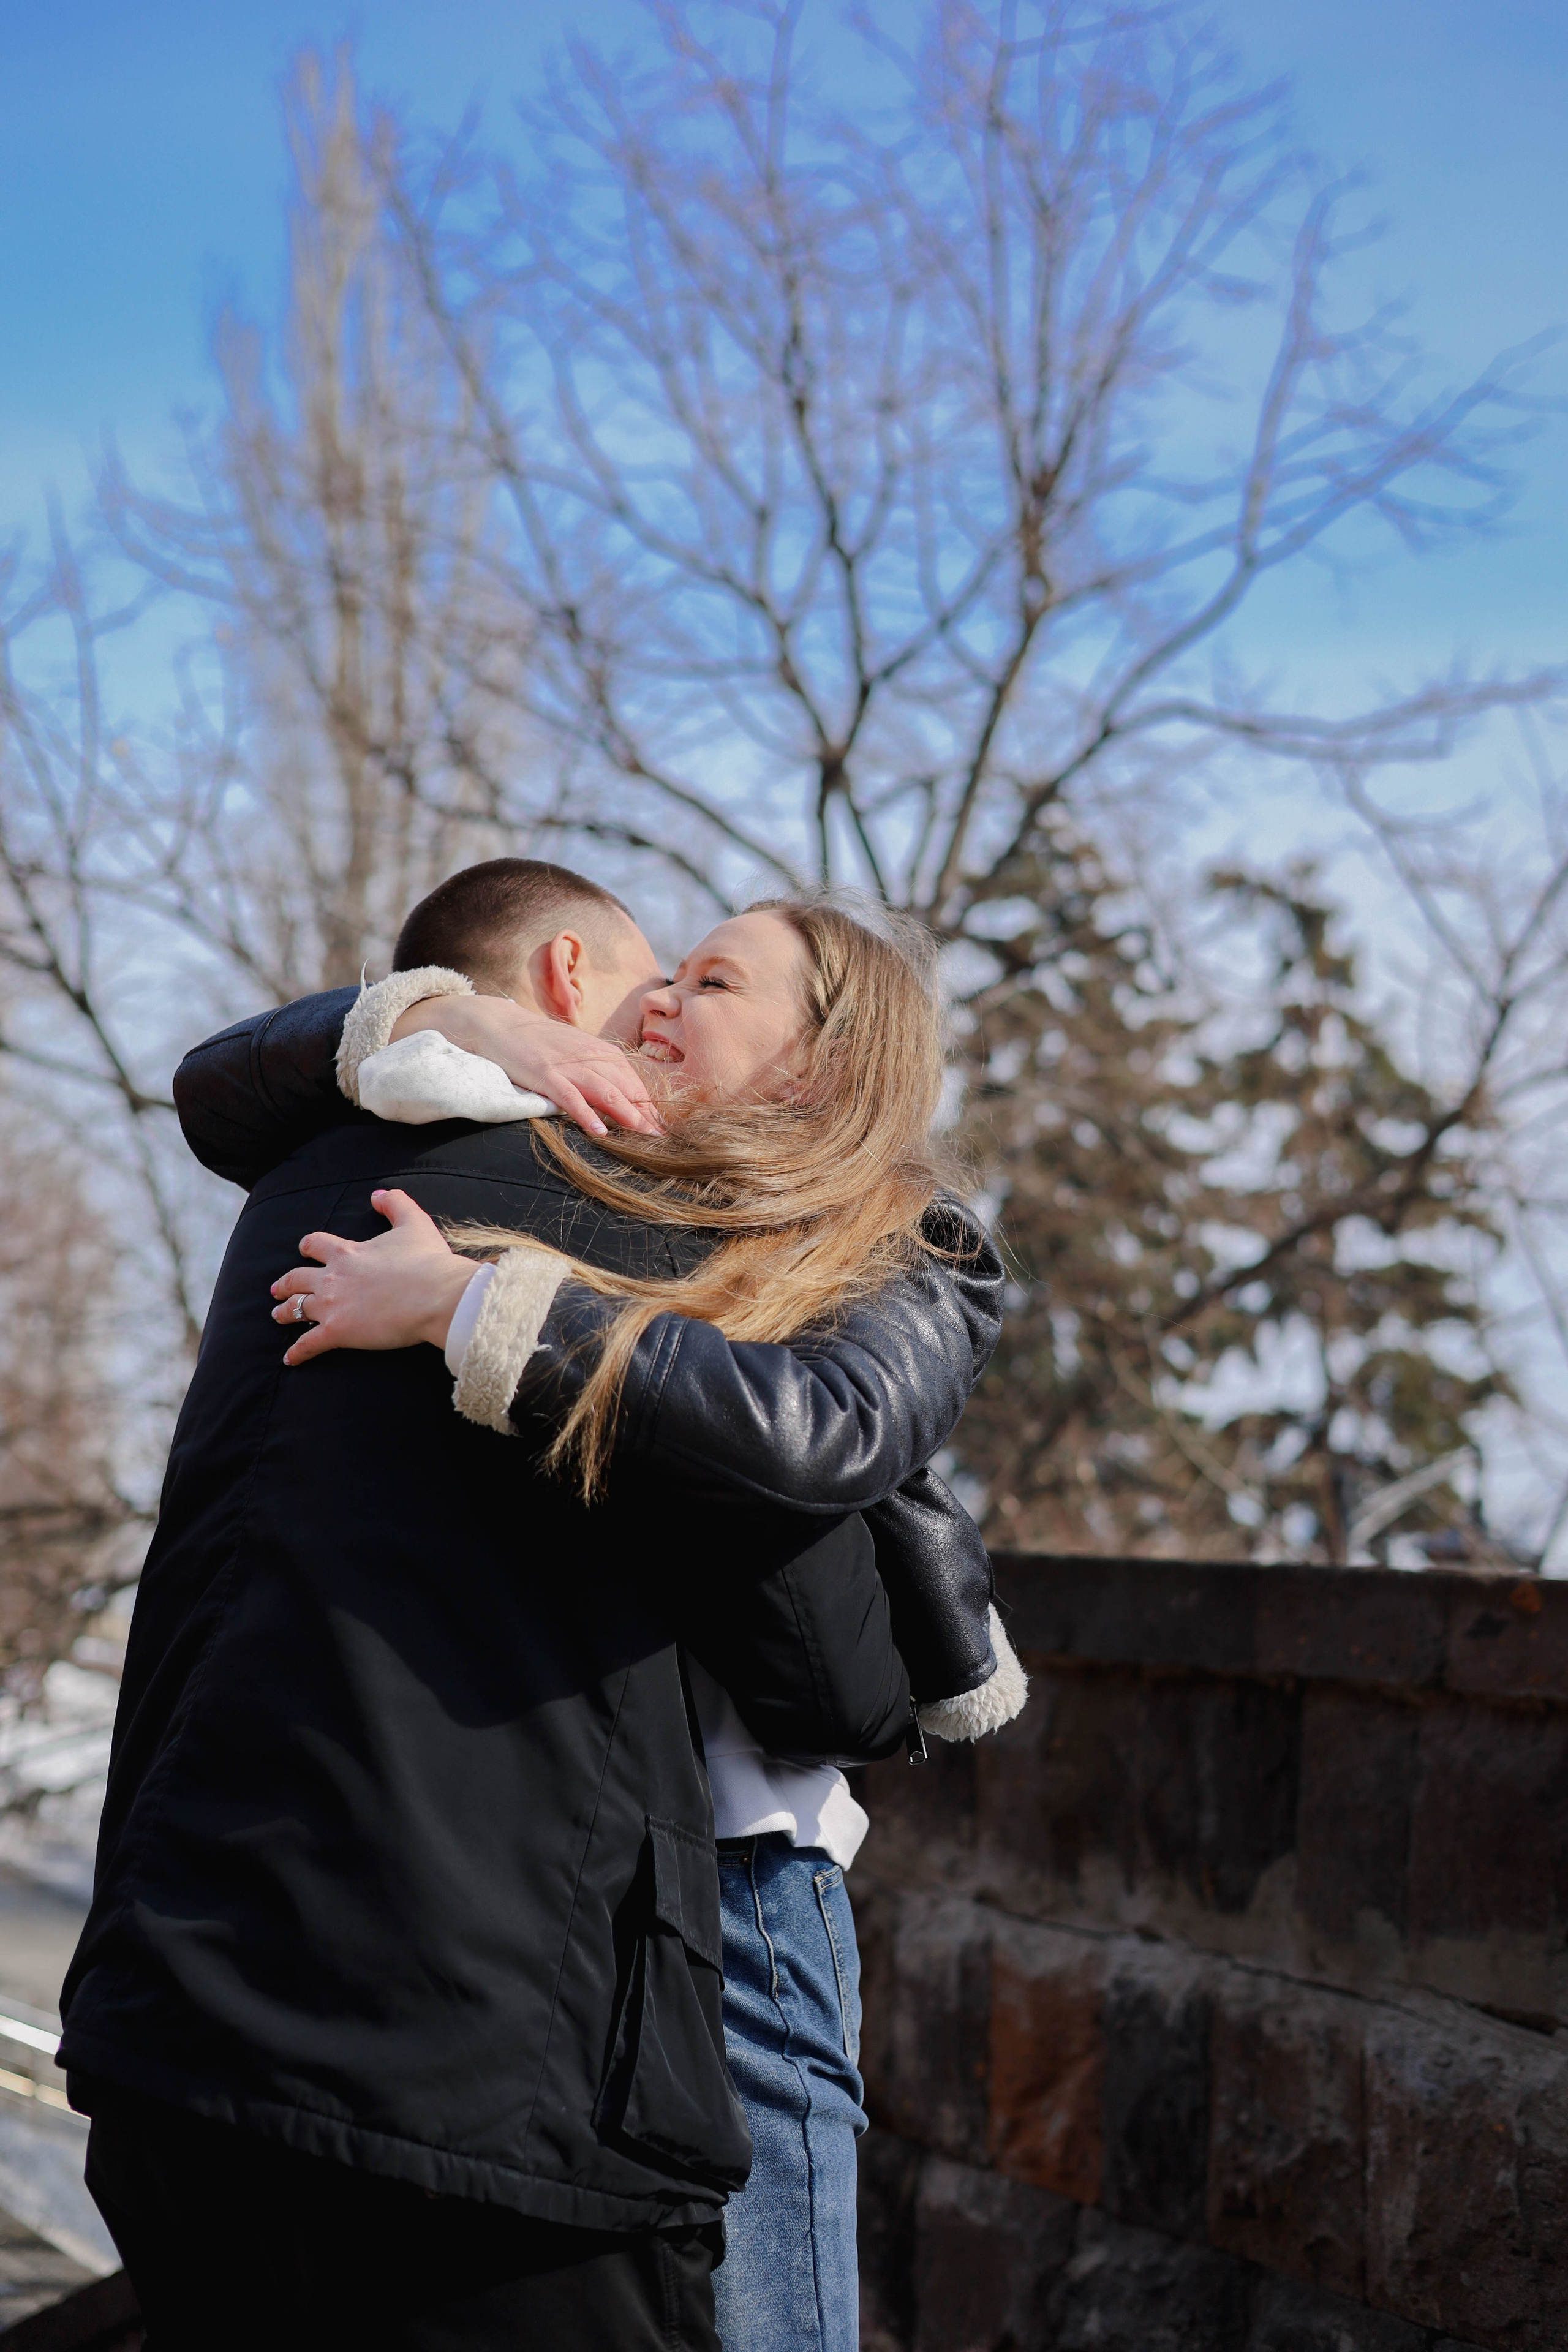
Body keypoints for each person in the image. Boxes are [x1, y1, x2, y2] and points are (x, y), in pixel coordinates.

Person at [60, 863, 1011, 2351]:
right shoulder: (596, 1185)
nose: (658, 1002)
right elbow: (223, 1086)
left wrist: (473, 1307)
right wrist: (446, 1017)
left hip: (744, 1890)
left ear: (820, 1063)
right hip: (582, 1915)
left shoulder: (904, 1245)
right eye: (662, 972)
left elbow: (823, 1549)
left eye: (711, 982)